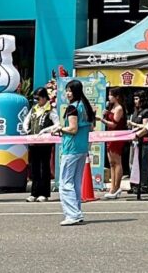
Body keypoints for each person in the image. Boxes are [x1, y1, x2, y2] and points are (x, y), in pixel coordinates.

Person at [53, 79, 94, 225]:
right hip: (82, 148)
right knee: (75, 182)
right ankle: (77, 212)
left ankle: (72, 214)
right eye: (67, 90)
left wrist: (60, 129)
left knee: (65, 183)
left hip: (71, 148)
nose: (67, 93)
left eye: (70, 91)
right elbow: (90, 127)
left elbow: (73, 128)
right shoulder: (85, 106)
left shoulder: (72, 108)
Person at [23, 87, 59, 202]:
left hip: (45, 144)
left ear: (44, 98)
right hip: (33, 143)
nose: (36, 101)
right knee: (34, 168)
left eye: (38, 99)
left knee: (44, 168)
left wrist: (46, 130)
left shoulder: (51, 110)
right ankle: (34, 193)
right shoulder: (34, 109)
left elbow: (57, 124)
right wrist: (26, 129)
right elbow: (26, 121)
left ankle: (44, 193)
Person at [99, 87, 125, 199]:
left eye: (111, 95)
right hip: (110, 136)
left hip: (117, 137)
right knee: (111, 163)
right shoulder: (111, 107)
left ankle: (117, 187)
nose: (109, 97)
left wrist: (102, 120)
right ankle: (112, 187)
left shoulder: (119, 108)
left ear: (117, 97)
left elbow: (114, 124)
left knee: (117, 162)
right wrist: (105, 114)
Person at [127, 90, 148, 195]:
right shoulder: (134, 112)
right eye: (134, 99)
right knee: (132, 163)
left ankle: (143, 186)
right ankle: (134, 185)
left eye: (137, 99)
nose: (135, 101)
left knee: (143, 164)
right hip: (134, 141)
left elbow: (146, 126)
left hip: (143, 141)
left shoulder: (146, 112)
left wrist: (134, 124)